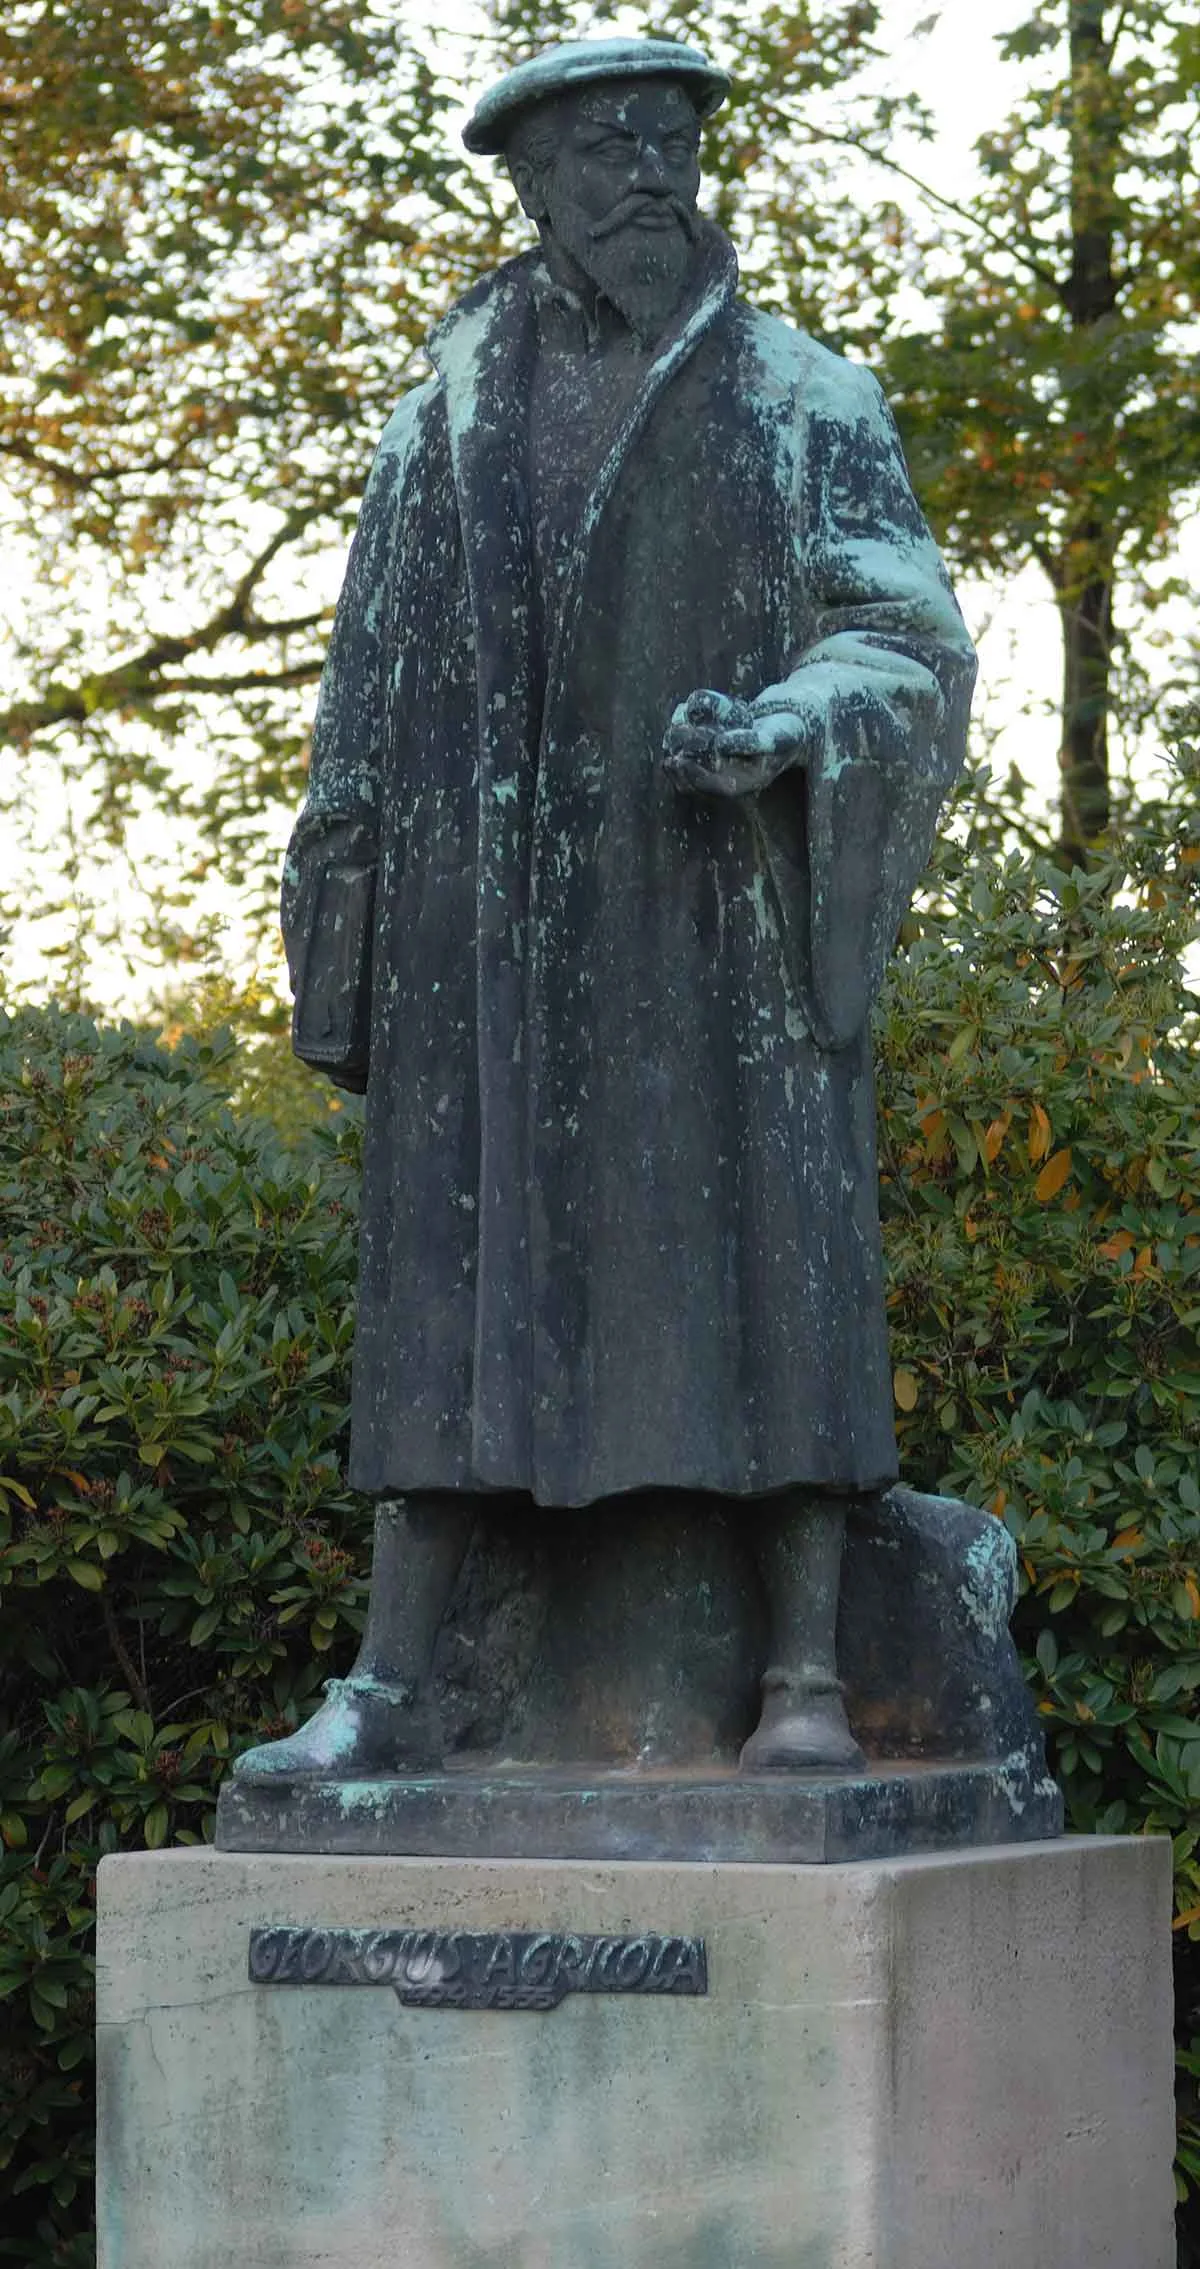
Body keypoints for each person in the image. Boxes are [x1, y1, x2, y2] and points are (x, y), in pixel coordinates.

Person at [233, 36, 976, 1787]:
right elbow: (365, 686)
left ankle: (801, 1679)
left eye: (672, 142)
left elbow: (909, 632)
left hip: (716, 910)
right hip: (480, 940)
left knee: (773, 1266)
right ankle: (399, 1679)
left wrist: (792, 725)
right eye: (608, 148)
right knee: (445, 1286)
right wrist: (341, 929)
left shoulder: (806, 399)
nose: (650, 172)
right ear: (532, 180)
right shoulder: (448, 411)